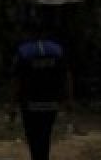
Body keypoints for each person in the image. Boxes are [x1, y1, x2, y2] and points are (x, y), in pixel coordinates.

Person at [10, 25, 74, 160]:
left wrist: (12, 104)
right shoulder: (57, 50)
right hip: (51, 102)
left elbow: (17, 80)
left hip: (29, 103)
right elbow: (66, 76)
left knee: (32, 135)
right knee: (45, 134)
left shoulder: (24, 52)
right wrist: (68, 99)